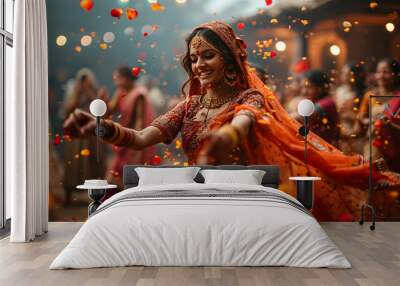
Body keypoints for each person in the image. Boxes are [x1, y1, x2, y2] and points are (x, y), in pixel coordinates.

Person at [63, 21, 400, 221]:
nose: (198, 65)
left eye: (207, 55)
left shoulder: (248, 99)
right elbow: (139, 138)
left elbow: (242, 123)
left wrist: (224, 137)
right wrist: (100, 127)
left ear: (228, 61)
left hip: (244, 196)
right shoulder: (188, 106)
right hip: (196, 194)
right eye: (194, 58)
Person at [100, 66, 156, 185]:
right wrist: (103, 101)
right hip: (124, 135)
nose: (116, 82)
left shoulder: (139, 94)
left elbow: (140, 120)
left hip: (133, 136)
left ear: (128, 78)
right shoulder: (120, 92)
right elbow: (110, 110)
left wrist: (137, 140)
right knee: (117, 173)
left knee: (130, 172)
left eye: (118, 78)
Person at [62, 68, 106, 205]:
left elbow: (100, 111)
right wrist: (77, 92)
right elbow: (68, 109)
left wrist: (89, 94)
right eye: (83, 81)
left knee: (93, 163)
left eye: (87, 80)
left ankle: (96, 197)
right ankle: (68, 197)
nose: (85, 83)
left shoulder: (95, 93)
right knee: (73, 164)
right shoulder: (73, 92)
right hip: (76, 135)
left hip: (90, 134)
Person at [356, 58, 400, 172]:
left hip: (394, 147)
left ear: (395, 75)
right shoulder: (370, 95)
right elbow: (361, 118)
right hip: (373, 144)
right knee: (373, 177)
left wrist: (389, 125)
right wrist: (370, 122)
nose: (381, 76)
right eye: (379, 72)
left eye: (386, 72)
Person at [296, 70, 340, 146]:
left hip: (327, 152)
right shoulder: (312, 102)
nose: (304, 91)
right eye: (302, 87)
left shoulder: (327, 103)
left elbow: (302, 117)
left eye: (308, 87)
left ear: (320, 88)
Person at [334, 63, 366, 154]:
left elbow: (363, 115)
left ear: (355, 75)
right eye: (343, 73)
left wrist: (350, 115)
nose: (344, 76)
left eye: (347, 73)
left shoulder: (362, 94)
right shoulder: (340, 91)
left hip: (356, 132)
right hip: (341, 131)